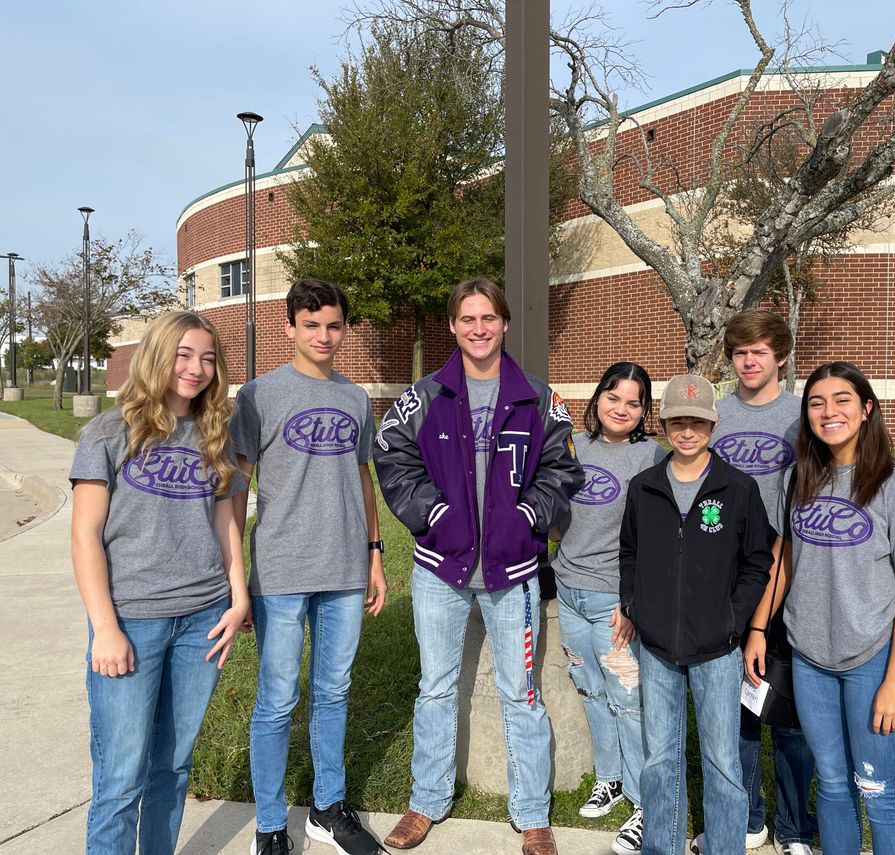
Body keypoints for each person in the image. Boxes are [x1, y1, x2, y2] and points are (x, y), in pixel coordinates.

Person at [374, 277, 583, 855]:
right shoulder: (425, 395)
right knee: (435, 688)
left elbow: (564, 471)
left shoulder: (538, 397)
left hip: (511, 572)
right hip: (440, 568)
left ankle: (532, 814)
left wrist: (528, 518)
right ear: (452, 327)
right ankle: (426, 800)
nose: (478, 329)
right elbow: (391, 456)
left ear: (505, 323)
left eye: (488, 318)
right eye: (467, 319)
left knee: (522, 694)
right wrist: (433, 512)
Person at [70, 311, 248, 855]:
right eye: (184, 354)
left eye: (208, 358)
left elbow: (225, 522)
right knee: (121, 777)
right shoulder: (107, 432)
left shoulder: (215, 431)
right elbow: (85, 538)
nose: (196, 368)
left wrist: (239, 598)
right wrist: (106, 628)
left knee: (172, 766)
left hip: (204, 621)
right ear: (156, 356)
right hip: (132, 621)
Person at [744, 362, 895, 855]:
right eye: (817, 402)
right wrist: (758, 629)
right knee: (831, 787)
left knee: (881, 794)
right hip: (810, 660)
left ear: (867, 408)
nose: (829, 412)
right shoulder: (798, 477)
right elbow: (783, 560)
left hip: (873, 661)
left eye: (842, 400)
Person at [231, 279, 387, 855]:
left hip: (346, 568)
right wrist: (235, 579)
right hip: (280, 572)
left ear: (345, 328)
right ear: (290, 326)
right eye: (312, 324)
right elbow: (236, 489)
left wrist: (375, 554)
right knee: (276, 698)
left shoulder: (355, 397)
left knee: (333, 690)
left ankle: (327, 809)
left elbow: (363, 478)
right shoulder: (259, 396)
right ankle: (271, 825)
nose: (324, 336)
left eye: (334, 325)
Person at [619, 374, 772, 855]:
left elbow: (757, 561)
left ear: (713, 424)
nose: (687, 432)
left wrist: (734, 617)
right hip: (658, 647)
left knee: (723, 762)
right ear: (662, 423)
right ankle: (661, 848)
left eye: (698, 423)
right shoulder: (644, 488)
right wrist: (633, 605)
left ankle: (726, 847)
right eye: (677, 422)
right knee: (660, 759)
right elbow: (629, 552)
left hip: (717, 648)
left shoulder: (738, 489)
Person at [696, 310, 817, 855]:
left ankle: (795, 828)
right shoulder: (715, 416)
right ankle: (748, 819)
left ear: (782, 356)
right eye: (740, 352)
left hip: (796, 578)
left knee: (789, 715)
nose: (748, 361)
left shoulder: (802, 417)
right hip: (734, 581)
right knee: (740, 711)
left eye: (760, 352)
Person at [550, 362, 666, 855]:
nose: (620, 408)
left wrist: (632, 600)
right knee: (592, 692)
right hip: (568, 589)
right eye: (612, 397)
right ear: (597, 398)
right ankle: (610, 779)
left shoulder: (651, 456)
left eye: (633, 402)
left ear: (644, 412)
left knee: (626, 698)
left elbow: (659, 538)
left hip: (613, 600)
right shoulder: (574, 445)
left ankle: (644, 804)